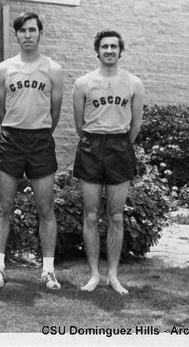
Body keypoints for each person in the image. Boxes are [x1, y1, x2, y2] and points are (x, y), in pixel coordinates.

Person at [0, 12, 64, 290]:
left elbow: (54, 113)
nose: (28, 35)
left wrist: (40, 130)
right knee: (4, 205)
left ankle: (48, 270)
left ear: (40, 33)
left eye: (32, 30)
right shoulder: (4, 69)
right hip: (11, 139)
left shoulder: (53, 69)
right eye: (22, 31)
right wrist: (16, 128)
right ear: (17, 35)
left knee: (45, 208)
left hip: (41, 140)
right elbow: (1, 110)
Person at [72, 30, 145, 295]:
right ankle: (94, 274)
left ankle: (113, 275)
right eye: (105, 46)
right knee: (90, 214)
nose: (110, 50)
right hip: (91, 146)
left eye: (114, 46)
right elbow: (80, 126)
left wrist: (121, 144)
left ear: (121, 50)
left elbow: (135, 124)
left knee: (115, 215)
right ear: (97, 50)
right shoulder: (83, 83)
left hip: (120, 146)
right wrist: (95, 139)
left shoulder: (134, 83)